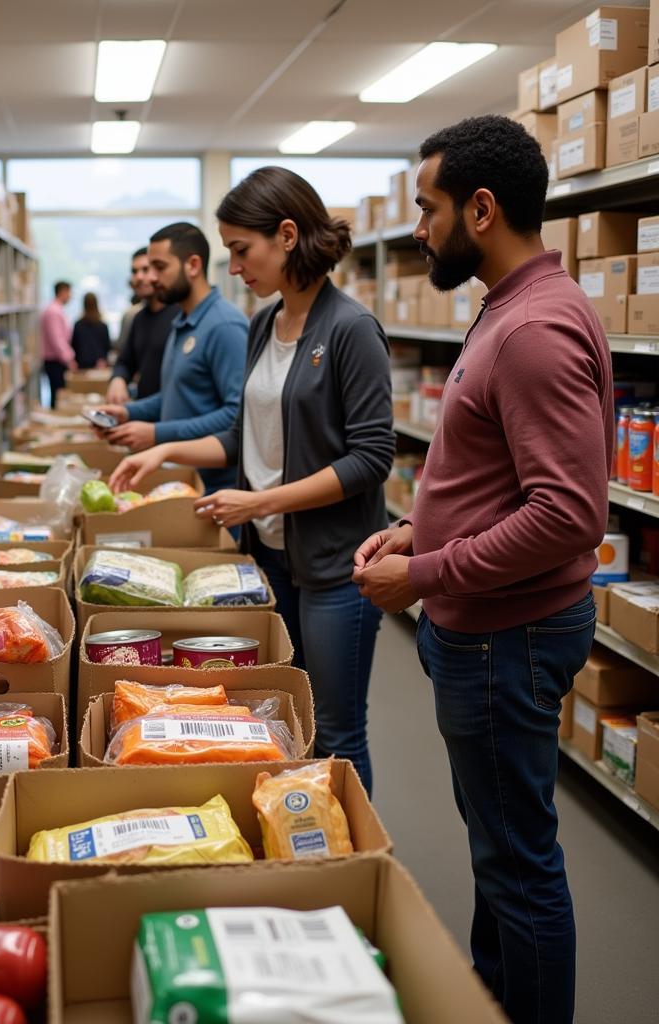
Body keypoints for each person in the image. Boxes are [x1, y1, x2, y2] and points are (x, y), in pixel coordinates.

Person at [353, 116, 613, 1024]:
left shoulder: (535, 330)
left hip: (508, 636)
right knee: (500, 849)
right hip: (486, 627)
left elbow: (570, 515)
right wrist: (412, 533)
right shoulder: (504, 310)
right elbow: (490, 476)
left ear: (482, 208)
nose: (419, 227)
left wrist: (426, 575)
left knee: (518, 864)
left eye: (428, 209)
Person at [109, 168, 394, 792]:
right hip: (269, 555)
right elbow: (248, 433)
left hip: (333, 563)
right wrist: (165, 451)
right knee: (287, 718)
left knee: (339, 730)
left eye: (242, 250)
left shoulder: (349, 329)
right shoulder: (266, 324)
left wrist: (263, 498)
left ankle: (351, 867)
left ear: (287, 236)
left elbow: (372, 458)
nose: (233, 267)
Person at [96, 222, 247, 492]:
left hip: (219, 489)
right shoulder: (182, 323)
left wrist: (157, 434)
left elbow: (237, 416)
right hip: (183, 481)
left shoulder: (225, 326)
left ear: (193, 265)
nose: (151, 278)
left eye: (159, 267)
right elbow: (177, 395)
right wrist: (128, 413)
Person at [106, 247, 178, 404]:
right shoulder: (139, 319)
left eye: (145, 270)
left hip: (172, 418)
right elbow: (125, 361)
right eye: (134, 271)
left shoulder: (180, 316)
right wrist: (118, 379)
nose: (138, 277)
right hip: (144, 413)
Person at [40, 280, 74, 407]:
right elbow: (57, 339)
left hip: (56, 359)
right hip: (54, 360)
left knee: (57, 393)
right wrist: (69, 358)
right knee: (57, 394)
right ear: (62, 292)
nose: (70, 296)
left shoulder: (55, 309)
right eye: (69, 292)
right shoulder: (53, 311)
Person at [71, 292, 111, 369]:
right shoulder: (103, 325)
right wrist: (103, 359)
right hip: (99, 364)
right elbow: (107, 346)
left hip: (82, 364)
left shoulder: (78, 325)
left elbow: (74, 345)